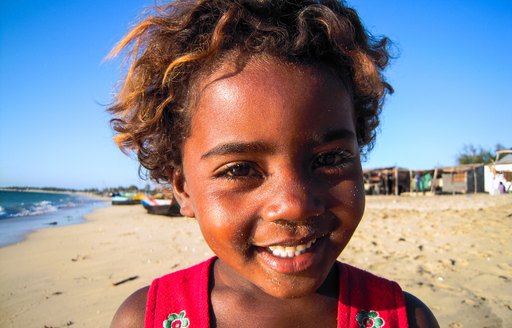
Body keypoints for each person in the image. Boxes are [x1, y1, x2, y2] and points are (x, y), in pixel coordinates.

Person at [108, 1, 439, 327]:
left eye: (330, 159)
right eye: (239, 169)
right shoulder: (143, 319)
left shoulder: (407, 319)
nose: (294, 206)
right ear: (183, 189)